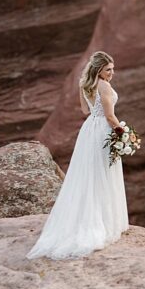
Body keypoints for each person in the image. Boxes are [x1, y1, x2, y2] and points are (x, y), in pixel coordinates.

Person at [26, 51, 129, 260]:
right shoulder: (104, 86)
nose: (112, 73)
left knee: (88, 173)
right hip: (103, 130)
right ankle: (103, 222)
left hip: (89, 129)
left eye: (113, 69)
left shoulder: (85, 85)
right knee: (102, 174)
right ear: (99, 69)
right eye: (108, 69)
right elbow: (110, 116)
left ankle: (88, 218)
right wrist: (123, 133)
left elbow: (85, 110)